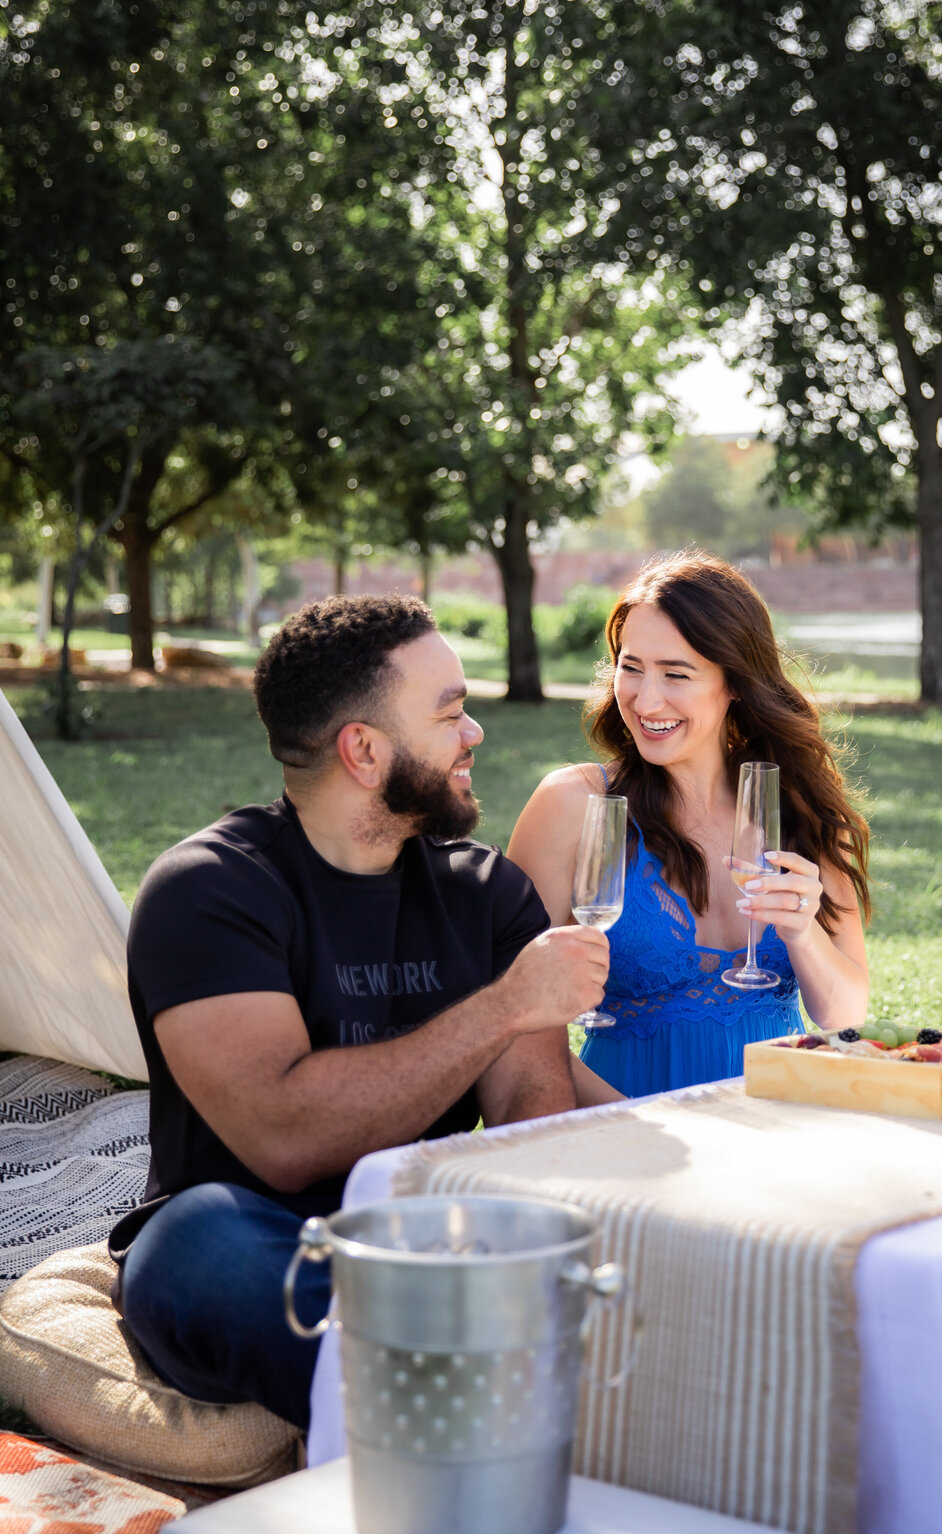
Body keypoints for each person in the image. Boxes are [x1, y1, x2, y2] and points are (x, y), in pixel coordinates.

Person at [109, 594, 607, 1430]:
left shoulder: (488, 894)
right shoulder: (206, 892)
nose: (474, 733)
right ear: (365, 750)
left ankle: (466, 1373)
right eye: (451, 713)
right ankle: (462, 1403)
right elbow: (286, 1138)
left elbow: (530, 1120)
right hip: (255, 1236)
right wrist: (505, 1007)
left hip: (425, 1240)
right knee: (195, 1243)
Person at [507, 551, 870, 1098]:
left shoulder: (800, 810)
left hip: (779, 1120)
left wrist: (802, 931)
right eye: (631, 668)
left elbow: (844, 1015)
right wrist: (641, 1129)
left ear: (736, 684)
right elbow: (520, 1025)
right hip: (628, 1132)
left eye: (676, 674)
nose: (645, 699)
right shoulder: (573, 803)